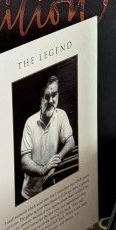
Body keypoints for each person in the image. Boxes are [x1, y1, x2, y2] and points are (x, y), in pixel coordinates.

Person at [20, 71, 76, 199]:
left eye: (54, 95)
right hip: (30, 194)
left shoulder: (61, 115)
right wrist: (44, 169)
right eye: (47, 96)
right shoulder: (30, 123)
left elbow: (71, 141)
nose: (51, 100)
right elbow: (24, 162)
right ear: (40, 98)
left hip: (50, 189)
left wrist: (58, 157)